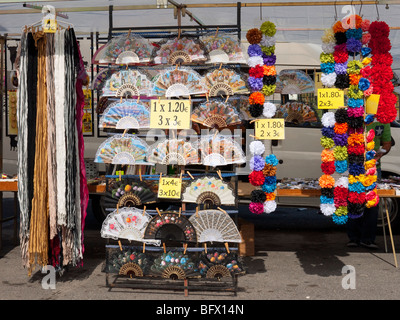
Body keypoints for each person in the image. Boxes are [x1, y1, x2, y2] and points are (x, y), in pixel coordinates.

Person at [347, 121, 392, 249]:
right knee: (354, 200)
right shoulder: (355, 115)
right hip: (354, 166)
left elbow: (387, 143)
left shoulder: (384, 120)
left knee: (371, 204)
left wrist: (381, 153)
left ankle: (368, 239)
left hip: (373, 168)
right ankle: (353, 238)